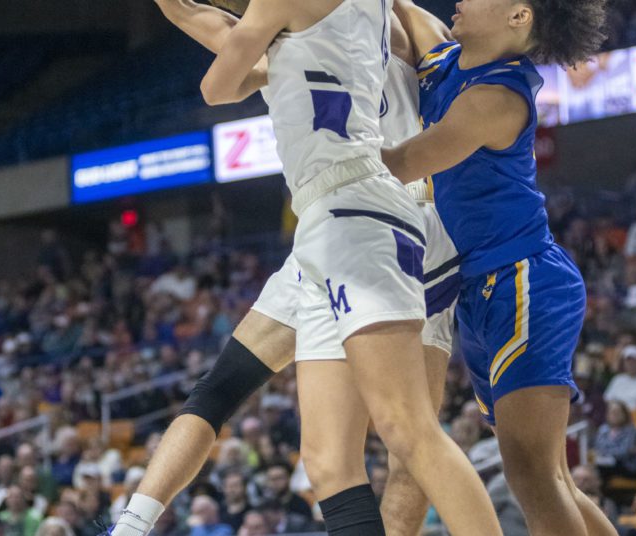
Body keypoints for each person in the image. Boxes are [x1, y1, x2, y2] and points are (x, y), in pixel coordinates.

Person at [109, 2, 494, 536]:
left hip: (388, 208)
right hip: (330, 218)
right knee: (326, 458)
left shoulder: (357, 22)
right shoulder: (289, 35)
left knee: (408, 435)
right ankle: (130, 526)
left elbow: (218, 72)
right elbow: (210, 25)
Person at [382, 0, 614, 534]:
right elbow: (402, 9)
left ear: (518, 16)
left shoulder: (496, 97)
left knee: (534, 475)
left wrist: (317, 147)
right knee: (547, 477)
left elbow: (404, 163)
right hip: (480, 288)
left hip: (521, 280)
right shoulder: (446, 58)